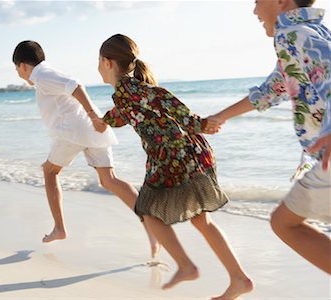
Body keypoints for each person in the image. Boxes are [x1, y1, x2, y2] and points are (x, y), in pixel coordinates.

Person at [96, 34, 253, 299]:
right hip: (191, 153)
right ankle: (239, 279)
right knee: (202, 220)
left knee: (148, 212)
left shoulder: (128, 90)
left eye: (98, 62)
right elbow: (129, 113)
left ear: (107, 62)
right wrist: (103, 120)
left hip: (173, 157)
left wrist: (202, 123)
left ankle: (186, 266)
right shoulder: (128, 93)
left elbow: (162, 104)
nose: (98, 67)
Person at [208, 0, 331, 274]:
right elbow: (272, 90)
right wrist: (221, 117)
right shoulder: (309, 32)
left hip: (328, 158)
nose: (254, 11)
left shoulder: (293, 34)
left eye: (256, 2)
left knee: (284, 224)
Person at [12, 40, 159, 257]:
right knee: (109, 180)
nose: (18, 74)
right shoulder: (45, 75)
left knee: (49, 171)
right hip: (90, 130)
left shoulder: (41, 75)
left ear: (23, 66)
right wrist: (94, 119)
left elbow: (75, 85)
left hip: (72, 130)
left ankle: (59, 228)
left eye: (17, 69)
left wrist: (92, 114)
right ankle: (153, 226)